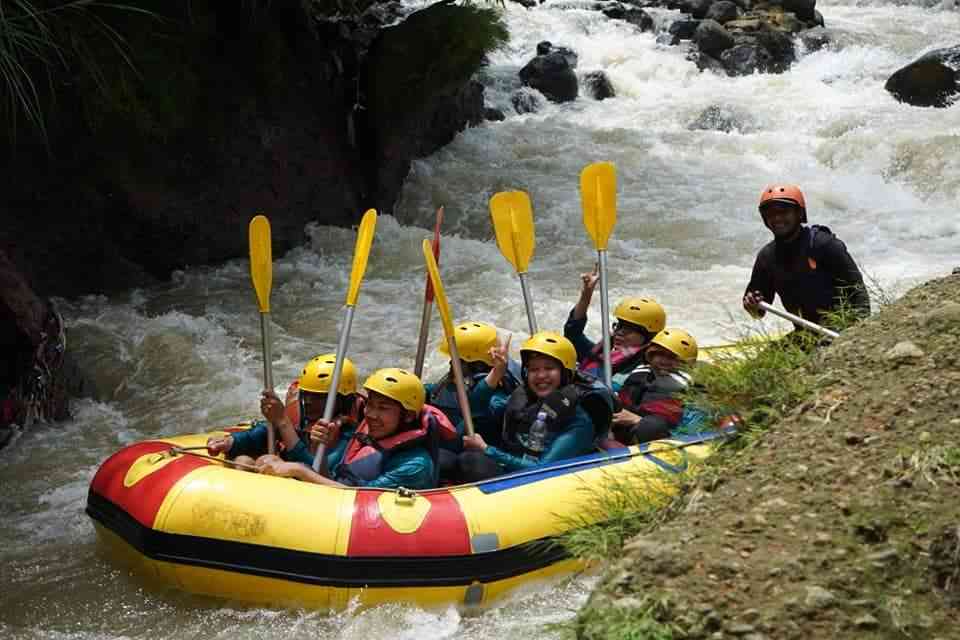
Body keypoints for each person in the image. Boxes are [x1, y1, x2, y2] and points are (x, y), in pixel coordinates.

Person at [257, 368, 456, 489]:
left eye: (383, 408)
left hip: (372, 531)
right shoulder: (370, 435)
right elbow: (334, 480)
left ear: (408, 415)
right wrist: (321, 451)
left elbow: (358, 498)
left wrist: (299, 470)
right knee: (257, 461)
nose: (370, 414)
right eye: (370, 405)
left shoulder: (415, 465)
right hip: (338, 504)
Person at [459, 332, 614, 481]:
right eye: (534, 369)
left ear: (565, 373)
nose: (540, 376)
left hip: (544, 481)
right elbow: (475, 410)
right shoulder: (524, 398)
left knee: (472, 461)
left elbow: (543, 469)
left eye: (549, 368)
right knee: (462, 441)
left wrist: (487, 449)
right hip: (515, 466)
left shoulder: (578, 420)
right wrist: (497, 372)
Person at [743, 184, 870, 334]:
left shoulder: (824, 244)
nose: (777, 218)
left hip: (841, 327)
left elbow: (859, 294)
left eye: (784, 212)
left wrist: (857, 333)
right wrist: (752, 306)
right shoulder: (767, 257)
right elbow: (758, 313)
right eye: (771, 214)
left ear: (799, 214)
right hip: (805, 333)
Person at [206, 354, 361, 468]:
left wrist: (283, 421)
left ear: (343, 400)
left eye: (319, 397)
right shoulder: (302, 418)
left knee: (265, 462)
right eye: (306, 394)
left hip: (310, 496)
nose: (308, 401)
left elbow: (317, 470)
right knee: (242, 462)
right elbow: (263, 432)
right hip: (281, 481)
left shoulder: (349, 435)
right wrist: (230, 442)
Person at [426, 321, 519, 463]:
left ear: (478, 365)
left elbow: (477, 406)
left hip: (483, 460)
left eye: (458, 362)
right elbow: (430, 391)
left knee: (445, 460)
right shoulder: (451, 383)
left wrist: (493, 377)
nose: (451, 365)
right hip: (450, 447)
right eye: (452, 360)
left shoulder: (497, 397)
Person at [564, 265, 667, 386]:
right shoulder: (601, 353)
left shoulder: (646, 369)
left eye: (629, 330)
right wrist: (586, 295)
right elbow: (572, 333)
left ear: (648, 337)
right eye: (619, 326)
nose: (620, 332)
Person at [611, 328, 698, 445]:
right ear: (651, 355)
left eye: (672, 357)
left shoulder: (687, 386)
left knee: (652, 427)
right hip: (623, 428)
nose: (664, 361)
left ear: (685, 364)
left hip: (656, 434)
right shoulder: (639, 373)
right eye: (660, 355)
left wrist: (637, 420)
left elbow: (669, 425)